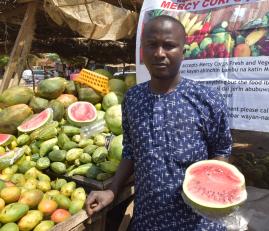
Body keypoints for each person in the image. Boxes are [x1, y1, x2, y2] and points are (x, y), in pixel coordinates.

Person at [86, 15, 232, 230]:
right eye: (151, 45)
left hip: (198, 222)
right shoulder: (132, 99)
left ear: (183, 51)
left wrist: (214, 192)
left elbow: (221, 149)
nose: (159, 53)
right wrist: (112, 189)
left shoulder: (207, 99)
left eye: (169, 46)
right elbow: (130, 150)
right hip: (147, 220)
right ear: (142, 52)